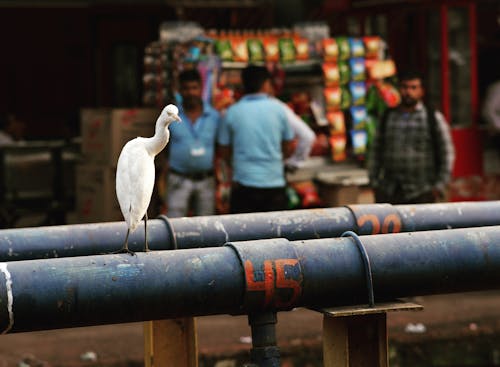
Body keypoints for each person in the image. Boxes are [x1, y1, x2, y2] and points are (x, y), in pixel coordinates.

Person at [368, 71, 455, 204]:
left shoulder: (432, 118)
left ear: (421, 91)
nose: (408, 92)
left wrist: (439, 186)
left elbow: (447, 153)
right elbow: (375, 151)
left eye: (413, 88)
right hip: (390, 191)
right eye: (404, 87)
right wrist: (374, 182)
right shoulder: (387, 117)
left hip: (422, 191)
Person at [217, 65, 295, 213]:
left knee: (244, 234)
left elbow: (224, 152)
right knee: (276, 234)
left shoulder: (232, 112)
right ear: (266, 84)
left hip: (243, 186)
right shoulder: (279, 109)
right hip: (274, 185)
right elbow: (289, 146)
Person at [165, 68, 221, 217]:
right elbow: (162, 149)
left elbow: (220, 147)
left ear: (201, 88)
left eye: (194, 88)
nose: (190, 93)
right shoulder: (170, 117)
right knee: (174, 227)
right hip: (178, 179)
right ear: (179, 90)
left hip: (206, 180)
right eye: (186, 89)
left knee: (206, 228)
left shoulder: (214, 117)